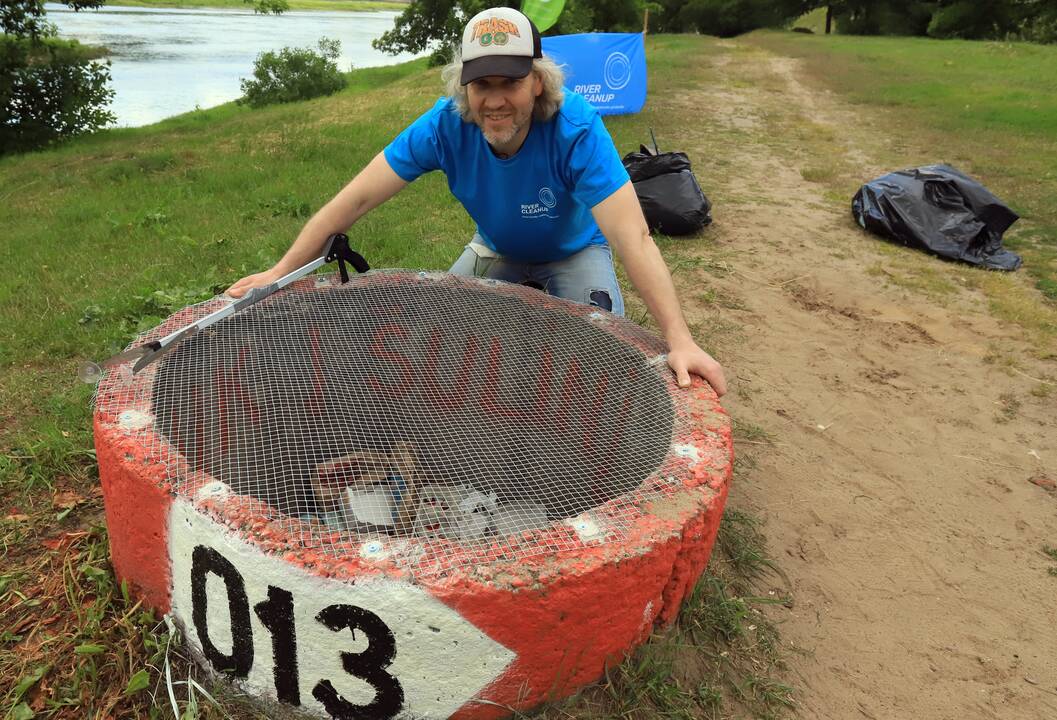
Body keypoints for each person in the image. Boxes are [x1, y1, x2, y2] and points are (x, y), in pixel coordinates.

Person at [228, 7, 726, 396]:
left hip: (575, 250)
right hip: (497, 248)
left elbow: (633, 236)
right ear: (463, 86)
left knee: (598, 354)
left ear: (537, 80)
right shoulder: (445, 124)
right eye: (480, 84)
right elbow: (355, 199)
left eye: (509, 82)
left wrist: (679, 338)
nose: (494, 101)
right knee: (432, 335)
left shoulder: (575, 127)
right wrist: (283, 270)